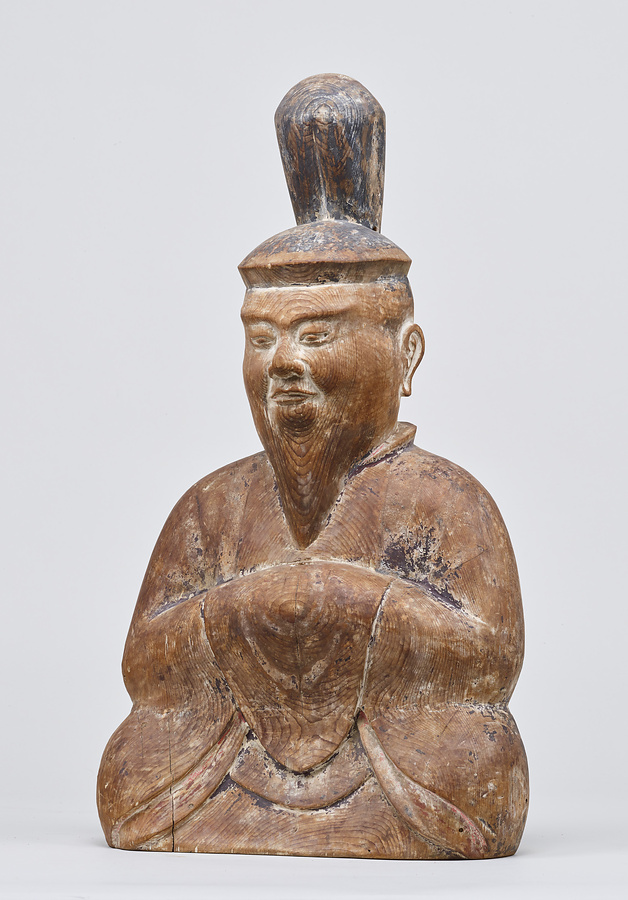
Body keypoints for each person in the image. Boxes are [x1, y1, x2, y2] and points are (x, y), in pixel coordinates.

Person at [98, 74, 528, 859]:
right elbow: (143, 668)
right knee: (132, 765)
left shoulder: (449, 500)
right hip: (237, 749)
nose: (284, 364)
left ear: (405, 354)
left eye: (318, 336)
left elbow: (490, 664)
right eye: (262, 339)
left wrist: (349, 597)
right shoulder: (211, 506)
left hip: (393, 754)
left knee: (480, 759)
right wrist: (250, 603)